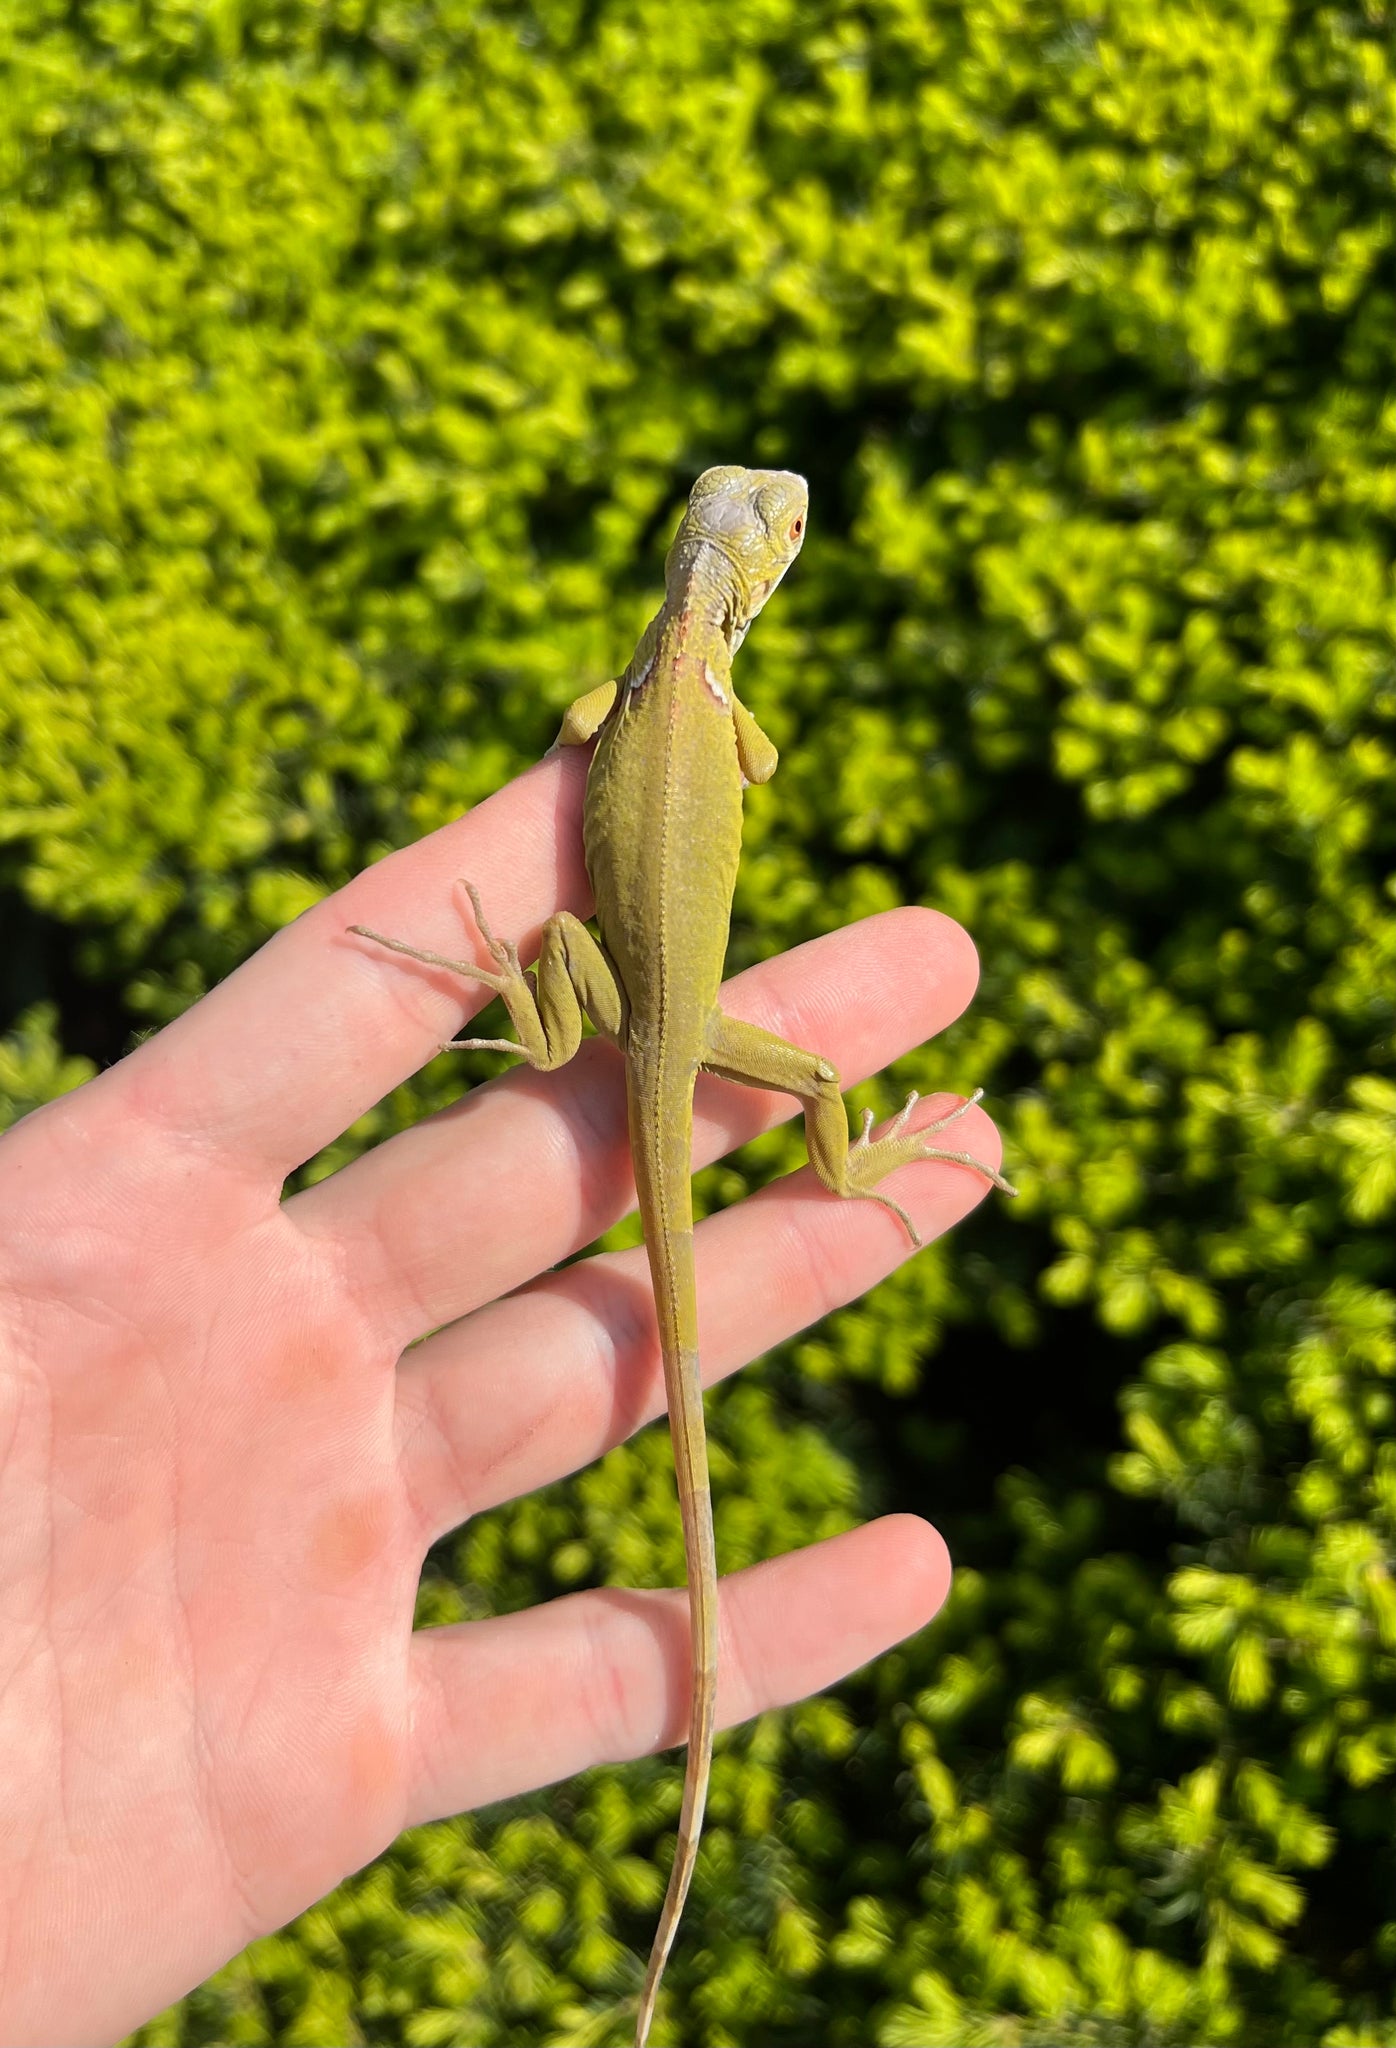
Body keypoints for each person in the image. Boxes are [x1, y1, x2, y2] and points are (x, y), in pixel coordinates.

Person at [0, 744, 1003, 2046]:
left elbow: (593, 736)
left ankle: (530, 1013)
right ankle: (848, 1171)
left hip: (621, 1010)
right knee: (817, 1078)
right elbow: (745, 759)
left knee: (736, 1095)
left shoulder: (629, 696)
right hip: (674, 1029)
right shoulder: (725, 723)